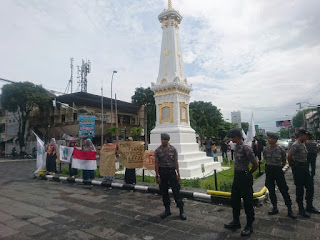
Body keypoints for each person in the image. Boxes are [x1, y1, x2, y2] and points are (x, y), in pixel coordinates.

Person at [224, 128, 258, 237]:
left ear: (237, 137)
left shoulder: (246, 148)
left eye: (232, 137)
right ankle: (236, 222)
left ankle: (249, 225)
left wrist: (248, 174)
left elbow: (255, 164)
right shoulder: (237, 147)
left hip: (244, 176)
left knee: (248, 202)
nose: (230, 139)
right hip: (237, 177)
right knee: (235, 200)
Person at [288, 129, 320, 217]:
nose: (307, 138)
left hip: (305, 168)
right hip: (298, 169)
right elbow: (289, 156)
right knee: (300, 189)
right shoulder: (296, 145)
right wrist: (293, 167)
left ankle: (309, 206)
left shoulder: (303, 143)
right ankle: (301, 209)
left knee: (310, 187)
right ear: (301, 136)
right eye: (306, 136)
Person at [264, 132, 296, 218]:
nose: (268, 139)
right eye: (268, 138)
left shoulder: (281, 149)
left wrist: (279, 169)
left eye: (270, 138)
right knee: (271, 190)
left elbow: (283, 161)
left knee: (283, 189)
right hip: (269, 170)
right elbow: (265, 160)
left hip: (278, 170)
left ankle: (289, 209)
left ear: (274, 139)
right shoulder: (266, 149)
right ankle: (274, 207)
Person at [155, 133, 186, 220]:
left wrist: (178, 174)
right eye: (162, 139)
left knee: (176, 191)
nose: (163, 141)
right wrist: (157, 176)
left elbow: (176, 162)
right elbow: (156, 163)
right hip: (162, 172)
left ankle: (181, 210)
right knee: (164, 192)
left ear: (168, 140)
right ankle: (167, 210)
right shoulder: (157, 150)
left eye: (165, 139)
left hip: (171, 172)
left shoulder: (173, 149)